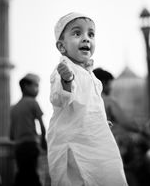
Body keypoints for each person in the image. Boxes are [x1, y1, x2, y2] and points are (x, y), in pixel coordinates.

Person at [47, 12, 128, 186]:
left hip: (95, 139)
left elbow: (93, 105)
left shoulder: (94, 78)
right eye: (77, 33)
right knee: (77, 178)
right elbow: (59, 99)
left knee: (109, 174)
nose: (86, 39)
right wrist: (67, 80)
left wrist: (101, 121)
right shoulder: (64, 69)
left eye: (90, 34)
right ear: (62, 46)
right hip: (74, 141)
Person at [10, 73, 47, 186]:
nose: (38, 89)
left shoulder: (13, 108)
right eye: (35, 86)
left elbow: (11, 135)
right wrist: (43, 142)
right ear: (26, 86)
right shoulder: (33, 102)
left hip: (18, 148)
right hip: (30, 145)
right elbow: (41, 125)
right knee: (32, 175)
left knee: (22, 174)